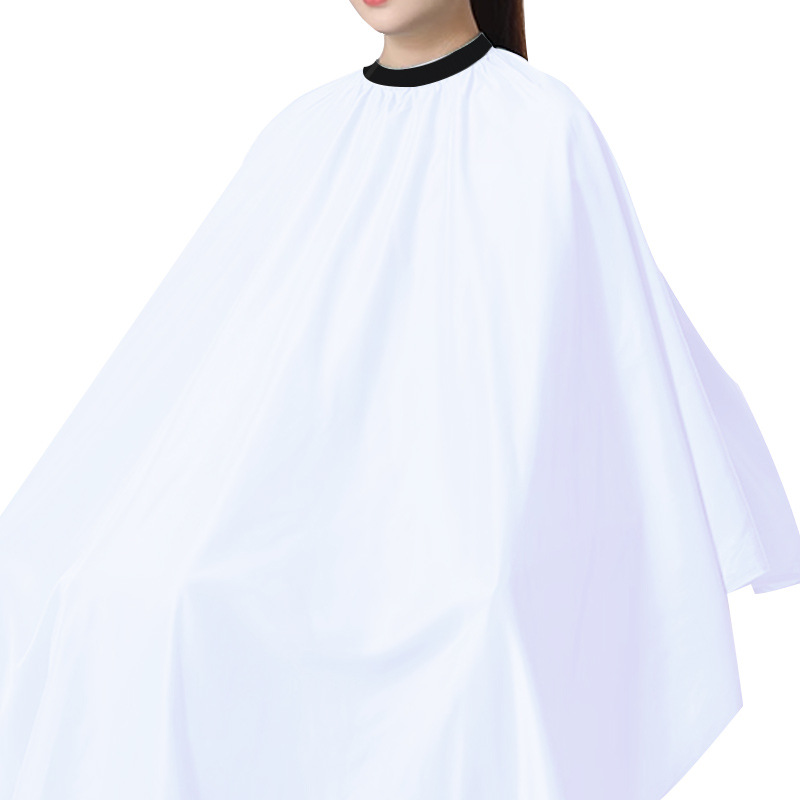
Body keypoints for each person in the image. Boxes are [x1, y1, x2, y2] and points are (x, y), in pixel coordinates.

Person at [1, 1, 798, 798]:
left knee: (471, 623)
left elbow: (580, 359)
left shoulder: (540, 124)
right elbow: (224, 359)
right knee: (134, 597)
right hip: (293, 505)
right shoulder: (304, 130)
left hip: (464, 510)